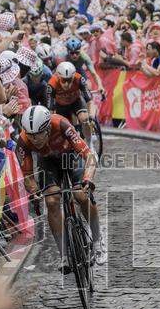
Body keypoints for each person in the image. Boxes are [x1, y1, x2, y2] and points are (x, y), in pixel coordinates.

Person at [17, 104, 105, 268]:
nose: (35, 140)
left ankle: (98, 239)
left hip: (70, 155)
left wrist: (87, 178)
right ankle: (64, 254)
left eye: (38, 135)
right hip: (48, 162)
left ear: (48, 128)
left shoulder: (61, 124)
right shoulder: (23, 141)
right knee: (51, 201)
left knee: (81, 195)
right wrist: (34, 191)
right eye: (31, 136)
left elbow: (89, 155)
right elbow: (27, 175)